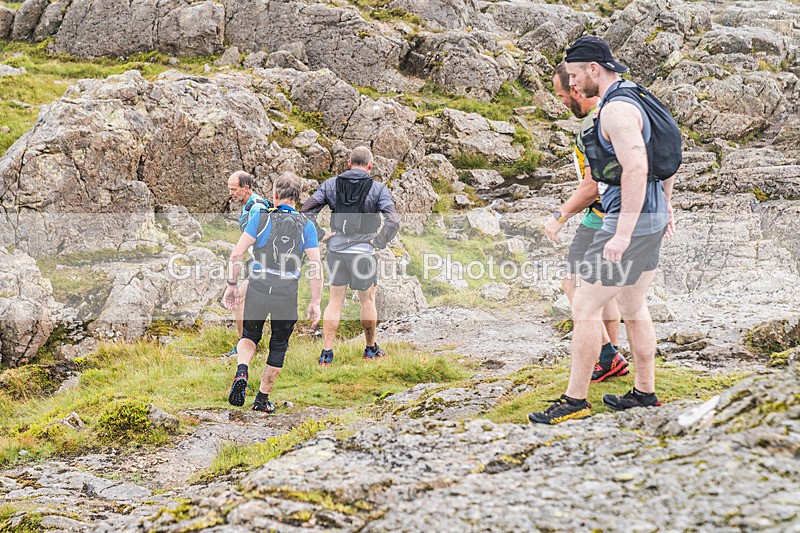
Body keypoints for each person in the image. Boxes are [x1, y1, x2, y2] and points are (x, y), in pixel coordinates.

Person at [529, 36, 677, 425]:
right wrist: (667, 206)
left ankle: (575, 400)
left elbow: (636, 167)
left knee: (586, 305)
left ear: (594, 69)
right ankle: (645, 392)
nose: (574, 85)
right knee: (632, 306)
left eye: (576, 76)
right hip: (652, 213)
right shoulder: (638, 96)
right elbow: (666, 153)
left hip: (629, 219)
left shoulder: (615, 110)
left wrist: (622, 233)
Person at [545, 63, 629, 383]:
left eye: (563, 94)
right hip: (613, 213)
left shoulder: (592, 125)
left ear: (577, 89)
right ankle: (611, 357)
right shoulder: (613, 111)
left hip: (602, 215)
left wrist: (560, 216)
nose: (562, 102)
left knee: (573, 283)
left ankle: (607, 356)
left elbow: (593, 184)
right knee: (603, 290)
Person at [224, 171, 323, 412]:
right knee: (278, 345)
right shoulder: (307, 226)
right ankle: (261, 400)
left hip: (258, 285)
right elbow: (315, 265)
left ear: (275, 195)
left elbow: (237, 254)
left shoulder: (259, 216)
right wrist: (315, 302)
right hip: (286, 292)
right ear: (298, 198)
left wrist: (232, 285)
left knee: (249, 335)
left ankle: (241, 371)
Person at [300, 146, 401, 366]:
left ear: (348, 163)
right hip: (364, 253)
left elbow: (305, 212)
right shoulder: (378, 188)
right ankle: (370, 349)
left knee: (335, 300)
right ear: (370, 165)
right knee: (367, 299)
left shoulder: (330, 184)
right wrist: (379, 241)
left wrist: (320, 234)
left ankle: (326, 354)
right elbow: (393, 220)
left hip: (336, 251)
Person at [220, 171, 271, 358]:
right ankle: (250, 344)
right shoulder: (250, 205)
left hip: (263, 262)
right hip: (258, 261)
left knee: (240, 297)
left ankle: (242, 347)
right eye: (229, 189)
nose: (231, 193)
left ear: (246, 188)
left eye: (234, 189)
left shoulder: (256, 208)